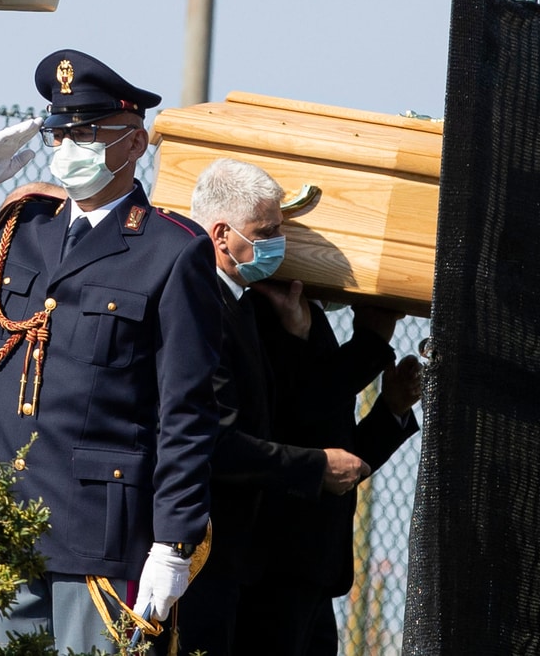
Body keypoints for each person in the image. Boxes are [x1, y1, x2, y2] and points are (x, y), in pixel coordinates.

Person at [0, 49, 222, 654]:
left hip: (94, 530)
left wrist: (174, 542)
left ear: (135, 143)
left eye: (88, 133)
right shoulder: (19, 230)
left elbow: (185, 412)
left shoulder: (171, 250)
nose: (68, 147)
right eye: (60, 133)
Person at [156, 157, 389, 656]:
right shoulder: (204, 309)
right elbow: (217, 442)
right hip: (206, 550)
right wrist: (315, 466)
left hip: (246, 557)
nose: (281, 244)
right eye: (267, 232)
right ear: (222, 235)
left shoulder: (242, 305)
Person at [234, 277, 421, 656]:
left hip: (311, 567)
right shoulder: (263, 309)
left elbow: (334, 458)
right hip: (274, 563)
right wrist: (371, 339)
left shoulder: (308, 318)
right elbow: (296, 410)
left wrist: (390, 412)